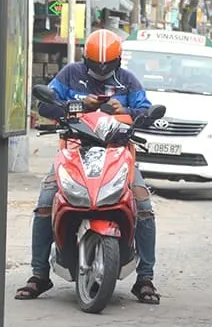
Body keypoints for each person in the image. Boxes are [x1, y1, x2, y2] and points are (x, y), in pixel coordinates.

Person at [15, 28, 162, 305]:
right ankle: (39, 273)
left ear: (118, 61)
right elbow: (46, 107)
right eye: (96, 65)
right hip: (74, 150)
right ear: (86, 60)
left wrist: (125, 111)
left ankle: (145, 277)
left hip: (117, 152)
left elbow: (146, 111)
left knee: (143, 206)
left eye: (107, 65)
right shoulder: (70, 74)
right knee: (46, 202)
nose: (102, 70)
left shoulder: (128, 82)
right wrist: (78, 104)